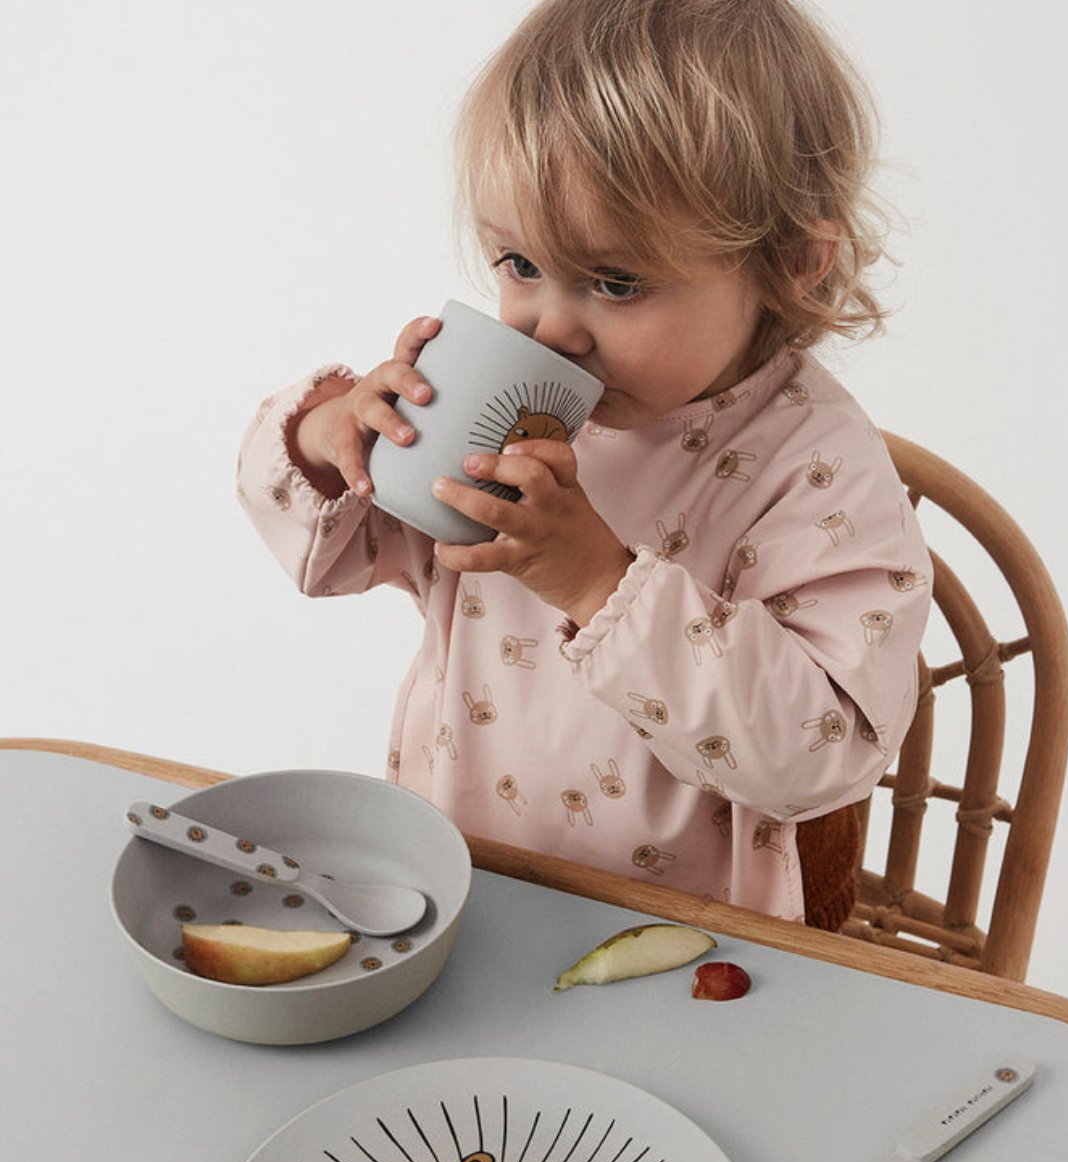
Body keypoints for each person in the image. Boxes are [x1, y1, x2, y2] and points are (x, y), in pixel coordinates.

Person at [238, 0, 932, 930]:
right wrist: (336, 441)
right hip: (463, 881)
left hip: (690, 932)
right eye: (519, 262)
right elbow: (339, 554)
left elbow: (816, 756)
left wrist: (598, 581)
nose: (546, 327)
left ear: (794, 264)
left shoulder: (814, 470)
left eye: (614, 283)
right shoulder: (503, 408)